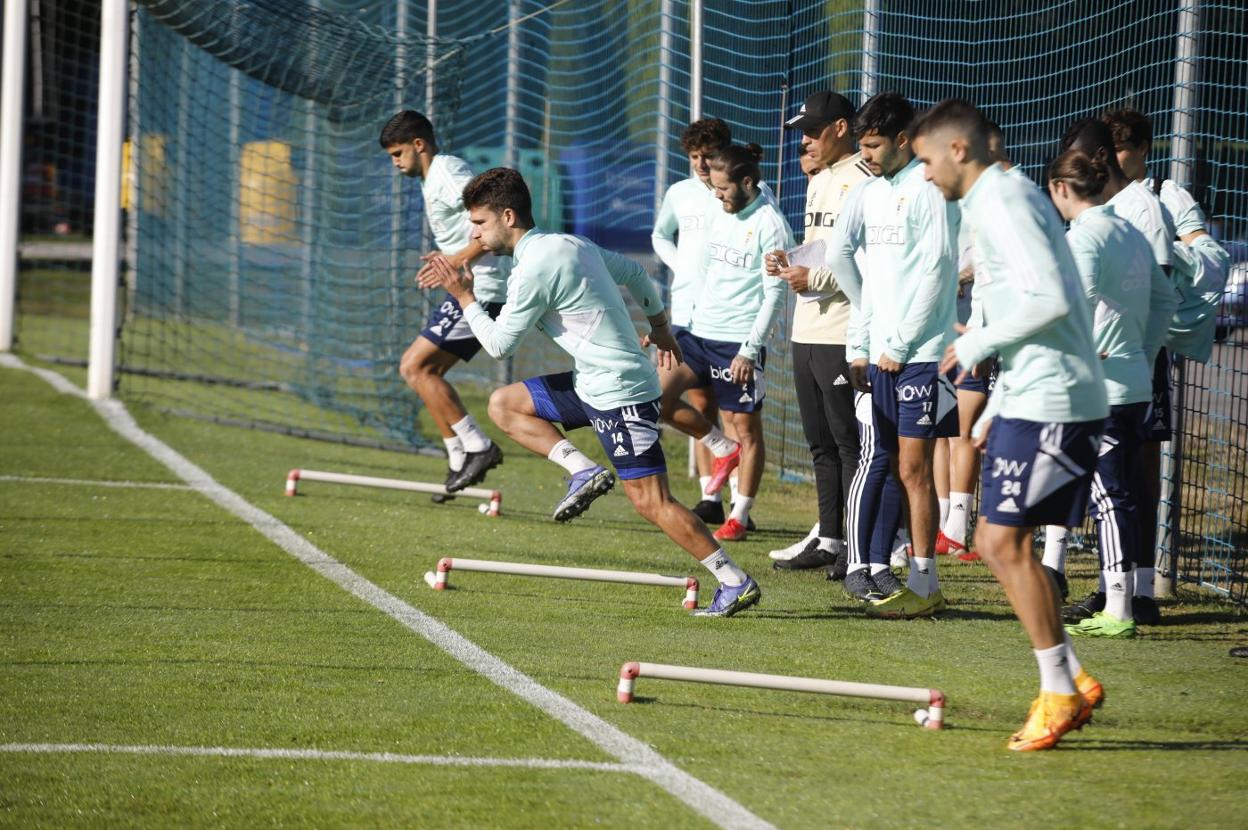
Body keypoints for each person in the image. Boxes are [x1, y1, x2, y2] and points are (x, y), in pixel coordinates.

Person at [427, 167, 762, 617]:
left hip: (620, 392)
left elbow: (499, 344)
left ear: (508, 216)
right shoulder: (568, 242)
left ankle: (733, 580)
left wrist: (464, 296)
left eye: (481, 223)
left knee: (652, 502)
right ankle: (582, 470)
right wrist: (661, 328)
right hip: (594, 383)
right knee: (505, 405)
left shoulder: (535, 268)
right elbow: (636, 275)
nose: (475, 234)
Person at [914, 98, 1108, 751]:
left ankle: (1060, 688)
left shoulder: (1003, 202)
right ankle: (1071, 679)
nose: (926, 176)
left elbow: (1053, 298)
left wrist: (975, 345)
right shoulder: (992, 201)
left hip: (1056, 400)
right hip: (1030, 396)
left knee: (1000, 545)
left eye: (926, 161)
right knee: (1005, 545)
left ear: (958, 151)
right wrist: (996, 403)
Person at [1101, 107, 1232, 618]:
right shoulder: (1097, 198)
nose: (1114, 160)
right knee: (1100, 465)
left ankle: (1143, 585)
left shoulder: (1165, 197)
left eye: (1123, 150)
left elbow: (1211, 259)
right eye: (1107, 151)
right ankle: (1101, 579)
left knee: (1141, 463)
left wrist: (1164, 257)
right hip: (1101, 350)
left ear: (1144, 151)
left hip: (1145, 350)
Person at [837, 91, 961, 615]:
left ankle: (924, 580)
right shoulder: (869, 191)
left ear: (904, 140)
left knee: (914, 467)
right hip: (883, 352)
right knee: (884, 459)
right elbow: (850, 260)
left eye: (873, 144)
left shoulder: (928, 190)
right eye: (861, 144)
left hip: (922, 352)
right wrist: (863, 339)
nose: (865, 154)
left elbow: (937, 270)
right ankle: (870, 567)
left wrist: (900, 342)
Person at [1047, 149, 1173, 639]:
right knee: (1114, 492)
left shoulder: (1082, 236)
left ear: (1061, 188)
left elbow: (1067, 310)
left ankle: (1118, 607)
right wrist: (1137, 351)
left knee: (1108, 495)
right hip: (1132, 382)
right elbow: (1165, 300)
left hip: (1096, 390)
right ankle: (1116, 596)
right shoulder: (1129, 230)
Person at [658, 144, 795, 542]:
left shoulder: (771, 225)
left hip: (736, 341)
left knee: (746, 428)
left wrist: (749, 351)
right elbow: (703, 275)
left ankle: (739, 514)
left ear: (747, 183)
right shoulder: (721, 211)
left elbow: (775, 295)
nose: (715, 196)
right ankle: (721, 447)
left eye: (721, 189)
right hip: (695, 333)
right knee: (655, 397)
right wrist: (669, 326)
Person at [764, 91, 873, 577]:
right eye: (801, 132)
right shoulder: (820, 180)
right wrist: (790, 260)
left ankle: (858, 541)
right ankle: (828, 536)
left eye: (813, 130)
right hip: (806, 326)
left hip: (842, 330)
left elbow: (863, 257)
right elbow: (821, 247)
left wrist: (819, 279)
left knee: (849, 443)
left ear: (842, 128)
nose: (804, 140)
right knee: (819, 442)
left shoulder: (865, 181)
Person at [379, 111, 507, 497]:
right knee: (422, 371)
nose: (396, 162)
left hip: (483, 289)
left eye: (398, 153)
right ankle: (458, 455)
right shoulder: (432, 178)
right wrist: (450, 253)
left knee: (414, 366)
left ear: (420, 144)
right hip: (471, 285)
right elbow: (470, 231)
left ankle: (477, 448)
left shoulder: (448, 173)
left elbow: (495, 223)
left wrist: (455, 260)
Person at [935, 121, 1018, 563]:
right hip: (952, 329)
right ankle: (947, 523)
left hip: (982, 333)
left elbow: (991, 267)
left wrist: (984, 334)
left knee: (965, 428)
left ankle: (960, 528)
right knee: (943, 431)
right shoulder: (969, 197)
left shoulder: (1012, 196)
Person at [652, 118, 739, 525]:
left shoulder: (743, 194)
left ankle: (738, 504)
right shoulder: (680, 193)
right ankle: (711, 495)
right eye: (694, 157)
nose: (701, 164)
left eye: (708, 156)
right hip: (685, 318)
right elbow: (659, 236)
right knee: (670, 399)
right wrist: (681, 265)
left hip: (728, 321)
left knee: (735, 412)